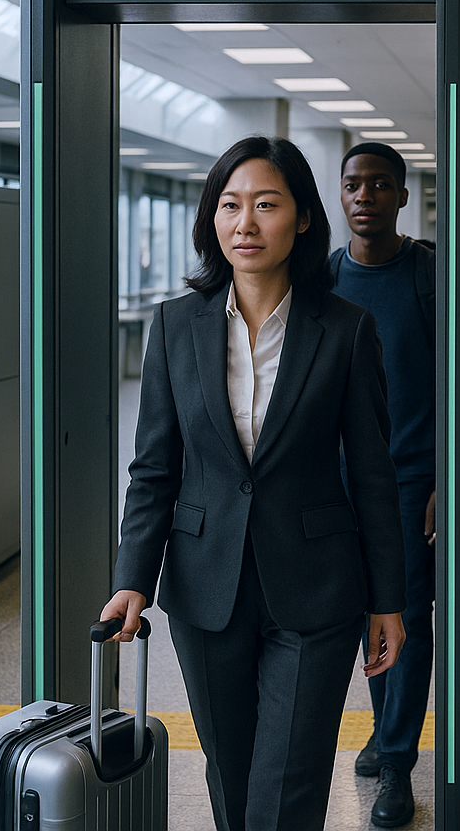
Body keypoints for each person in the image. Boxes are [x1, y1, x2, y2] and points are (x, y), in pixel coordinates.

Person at [100, 136, 407, 831]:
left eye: (266, 204)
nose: (245, 223)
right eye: (230, 205)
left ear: (301, 217)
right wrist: (132, 577)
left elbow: (372, 471)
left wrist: (388, 599)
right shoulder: (176, 326)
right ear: (212, 219)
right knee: (231, 778)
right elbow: (154, 467)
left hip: (318, 587)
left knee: (288, 781)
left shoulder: (346, 329)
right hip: (207, 587)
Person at [328, 143, 436, 828]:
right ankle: (383, 728)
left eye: (379, 185)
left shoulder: (429, 274)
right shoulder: (320, 279)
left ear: (401, 197)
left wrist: (449, 482)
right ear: (340, 197)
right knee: (361, 612)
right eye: (353, 184)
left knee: (407, 616)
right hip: (335, 481)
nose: (365, 195)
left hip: (410, 478)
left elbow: (459, 383)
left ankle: (397, 762)